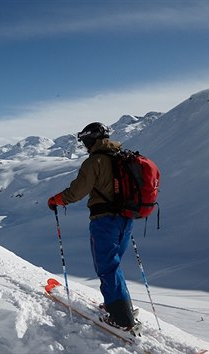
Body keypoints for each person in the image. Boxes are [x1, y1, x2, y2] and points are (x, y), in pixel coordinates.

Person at [47, 122, 136, 330]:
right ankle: (120, 307)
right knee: (113, 265)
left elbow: (77, 191)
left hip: (105, 220)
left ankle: (121, 318)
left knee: (106, 267)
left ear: (90, 139)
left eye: (85, 140)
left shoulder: (95, 161)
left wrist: (56, 200)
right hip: (126, 219)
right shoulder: (121, 157)